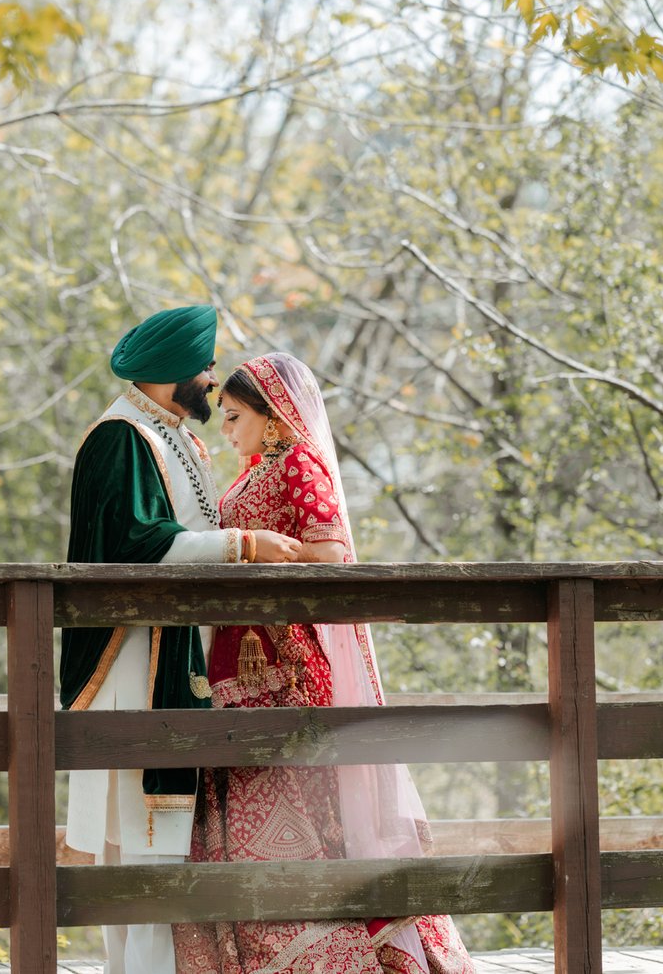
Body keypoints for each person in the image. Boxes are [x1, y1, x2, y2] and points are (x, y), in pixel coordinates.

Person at [173, 352, 476, 974]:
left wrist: (257, 561)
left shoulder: (300, 465)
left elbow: (332, 554)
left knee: (303, 795)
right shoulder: (259, 469)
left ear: (274, 416)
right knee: (242, 793)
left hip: (285, 660)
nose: (225, 430)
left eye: (234, 417)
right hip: (238, 659)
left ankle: (335, 955)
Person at [63, 306, 301, 974]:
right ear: (173, 376)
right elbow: (136, 544)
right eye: (202, 369)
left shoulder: (175, 437)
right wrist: (244, 545)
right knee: (145, 849)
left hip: (178, 656)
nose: (210, 379)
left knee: (161, 849)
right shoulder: (121, 437)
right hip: (137, 662)